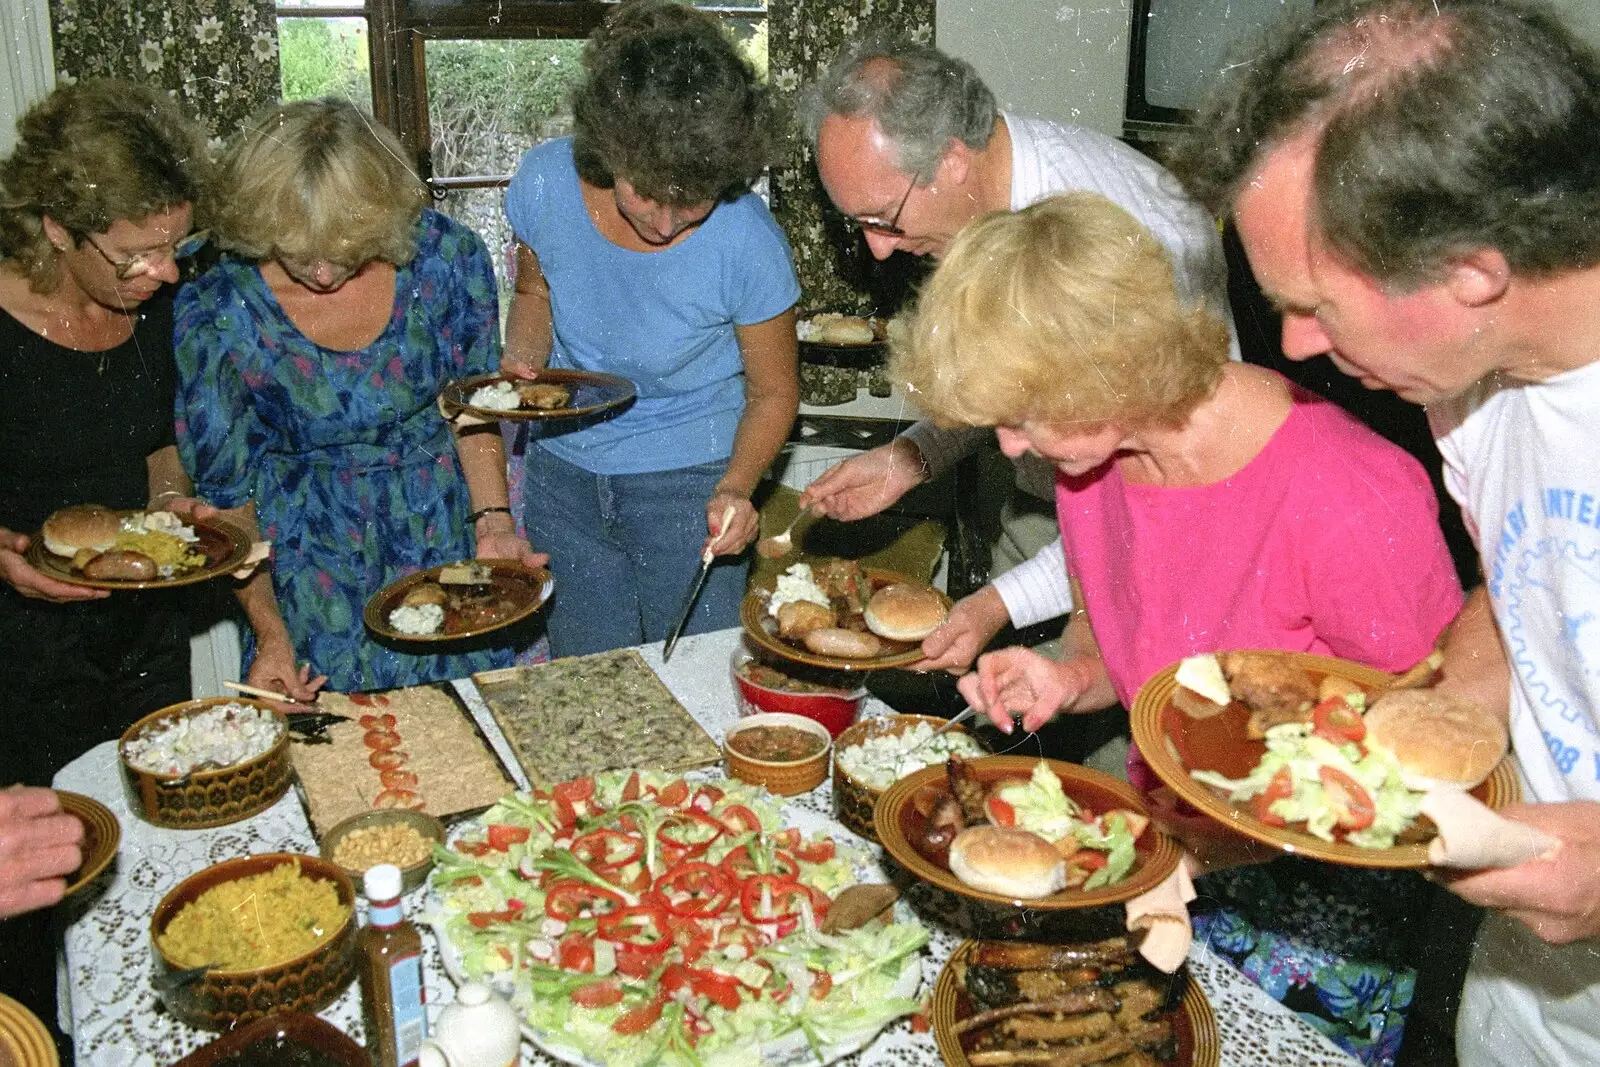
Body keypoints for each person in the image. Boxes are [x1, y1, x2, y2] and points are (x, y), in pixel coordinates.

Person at [894, 192, 1464, 1063]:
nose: (1011, 447)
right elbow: (1122, 646)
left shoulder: (1348, 493)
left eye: (1023, 417)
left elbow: (1423, 775)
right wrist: (1066, 676)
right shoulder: (1095, 466)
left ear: (1106, 370)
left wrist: (1199, 851)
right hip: (1166, 862)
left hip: (1319, 923)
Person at [1164, 1, 1600, 1062]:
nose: (1299, 346)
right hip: (1532, 993)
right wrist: (1432, 725)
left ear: (1471, 271)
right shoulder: (1469, 375)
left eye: (1314, 303)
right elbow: (1523, 574)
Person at [796, 37, 1235, 674]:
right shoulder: (969, 210)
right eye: (854, 225)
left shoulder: (1128, 230)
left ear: (950, 161)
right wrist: (915, 456)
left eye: (883, 219)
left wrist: (1004, 600)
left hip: (1164, 546)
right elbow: (1024, 394)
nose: (880, 251)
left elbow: (1170, 500)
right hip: (1049, 518)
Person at [175, 99, 543, 695]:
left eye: (347, 248)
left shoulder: (446, 260)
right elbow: (227, 498)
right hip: (305, 564)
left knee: (469, 743)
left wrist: (494, 523)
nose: (323, 273)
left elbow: (473, 409)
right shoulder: (216, 308)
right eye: (296, 251)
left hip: (439, 534)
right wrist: (270, 633)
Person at [0, 76, 208, 1064]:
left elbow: (154, 448)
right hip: (17, 653)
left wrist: (173, 503)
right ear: (55, 226)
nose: (166, 273)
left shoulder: (153, 300)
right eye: (138, 253)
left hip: (137, 628)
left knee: (144, 850)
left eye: (178, 246)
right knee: (35, 889)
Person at [501, 0, 799, 656]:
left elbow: (774, 393)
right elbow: (533, 288)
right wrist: (520, 367)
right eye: (646, 195)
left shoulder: (748, 240)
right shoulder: (546, 184)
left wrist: (736, 487)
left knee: (699, 678)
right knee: (585, 683)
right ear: (608, 154)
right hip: (564, 474)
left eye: (691, 203)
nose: (665, 225)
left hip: (693, 481)